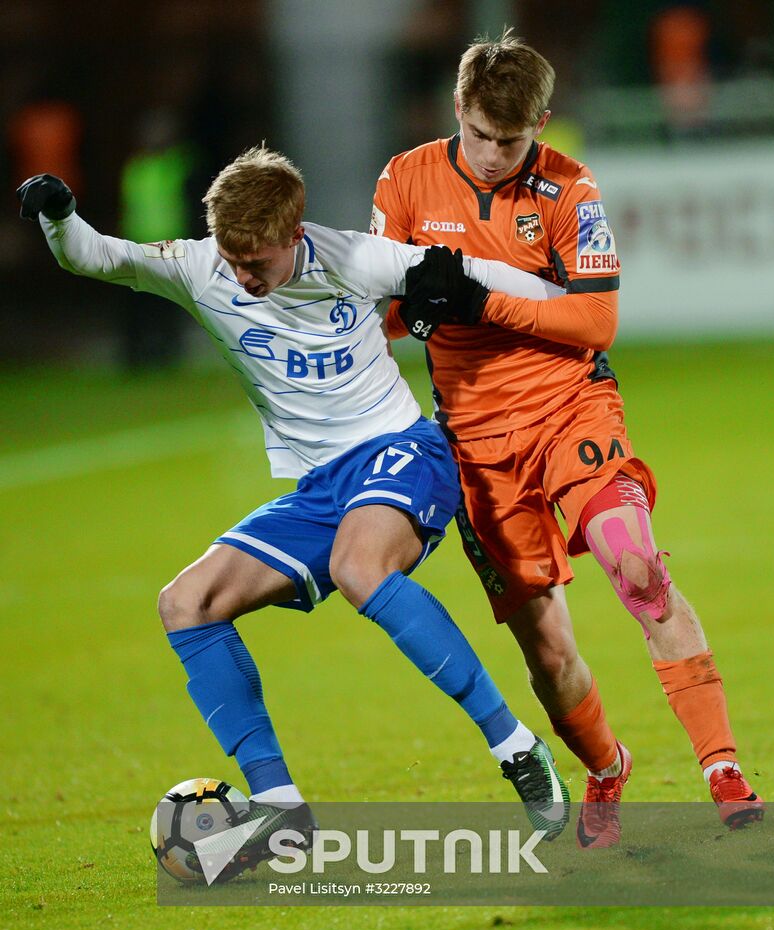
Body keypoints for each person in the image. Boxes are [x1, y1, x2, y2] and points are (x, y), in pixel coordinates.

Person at [17, 148, 572, 871]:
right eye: (233, 259)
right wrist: (59, 214)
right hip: (315, 490)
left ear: (294, 233)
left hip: (400, 451)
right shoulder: (197, 267)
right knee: (186, 603)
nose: (243, 279)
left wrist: (552, 299)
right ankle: (280, 806)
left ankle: (515, 747)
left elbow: (499, 281)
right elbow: (94, 256)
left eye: (259, 264)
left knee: (357, 568)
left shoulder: (354, 259)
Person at [370, 29, 763, 847]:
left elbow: (593, 320)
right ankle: (606, 766)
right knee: (546, 651)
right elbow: (382, 318)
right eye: (477, 133)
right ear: (457, 109)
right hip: (474, 444)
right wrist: (408, 312)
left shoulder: (569, 191)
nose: (489, 153)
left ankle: (723, 771)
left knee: (636, 566)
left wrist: (480, 302)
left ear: (540, 124)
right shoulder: (404, 180)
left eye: (509, 139)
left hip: (568, 411)